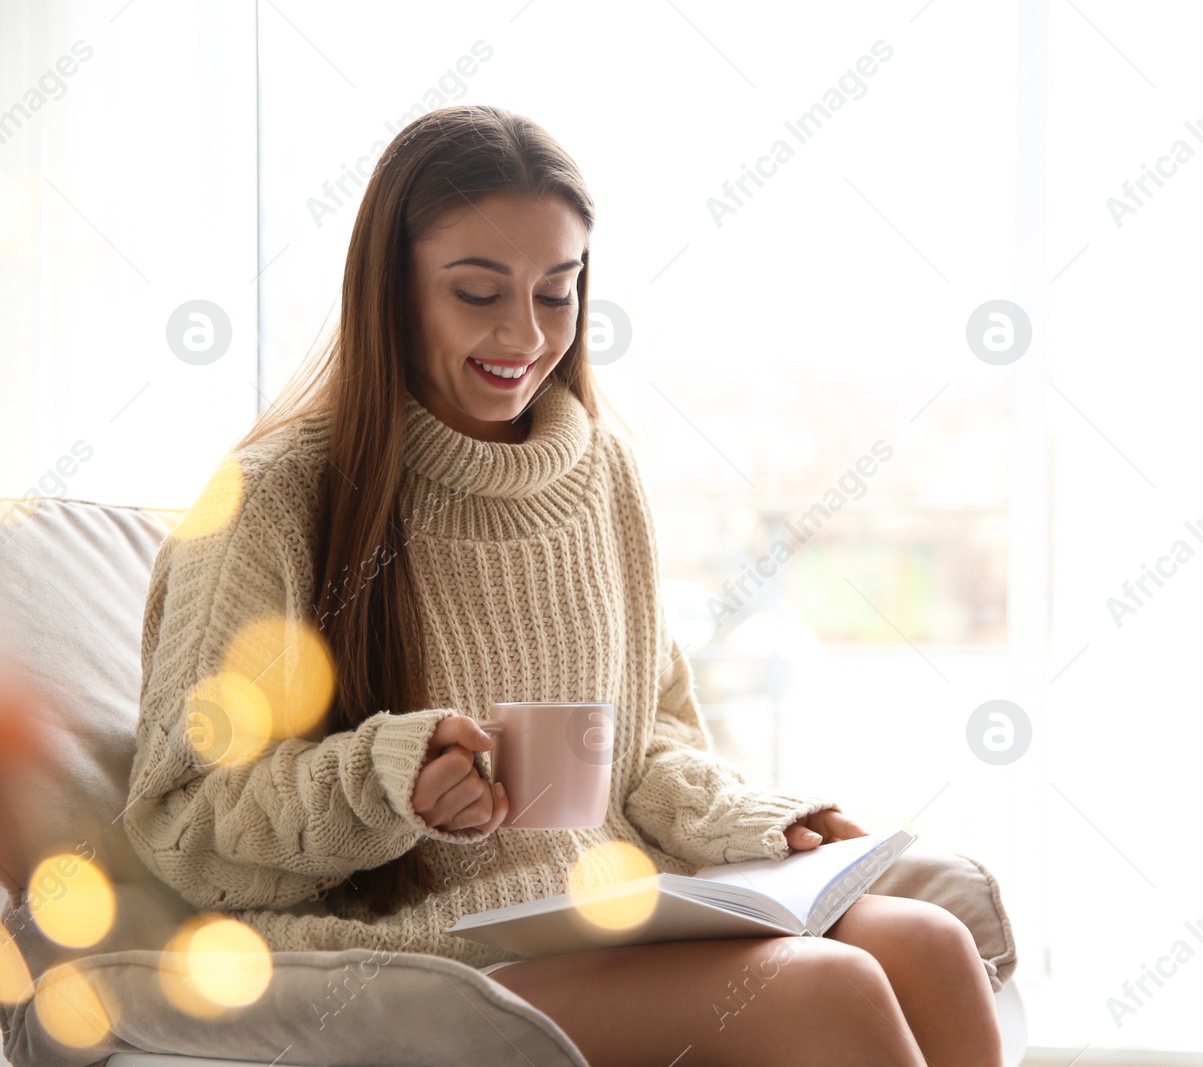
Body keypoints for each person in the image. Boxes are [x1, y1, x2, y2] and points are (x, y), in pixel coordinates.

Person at [124, 104, 1002, 1067]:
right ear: (390, 290)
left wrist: (757, 823)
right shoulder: (274, 499)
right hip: (418, 949)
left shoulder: (601, 473)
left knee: (931, 942)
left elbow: (648, 740)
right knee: (824, 989)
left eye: (557, 291)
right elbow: (189, 824)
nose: (524, 335)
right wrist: (390, 780)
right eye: (476, 292)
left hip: (604, 912)